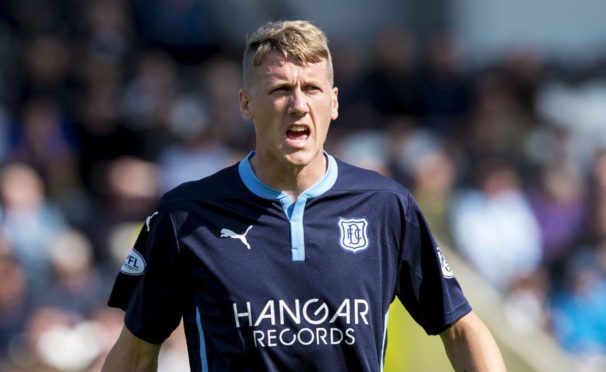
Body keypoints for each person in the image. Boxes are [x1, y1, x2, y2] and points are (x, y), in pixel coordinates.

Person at [102, 20, 506, 371]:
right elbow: (136, 352)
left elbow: (460, 329)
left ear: (333, 103)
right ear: (246, 103)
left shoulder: (386, 206)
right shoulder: (184, 215)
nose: (298, 105)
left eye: (312, 89)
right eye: (280, 89)